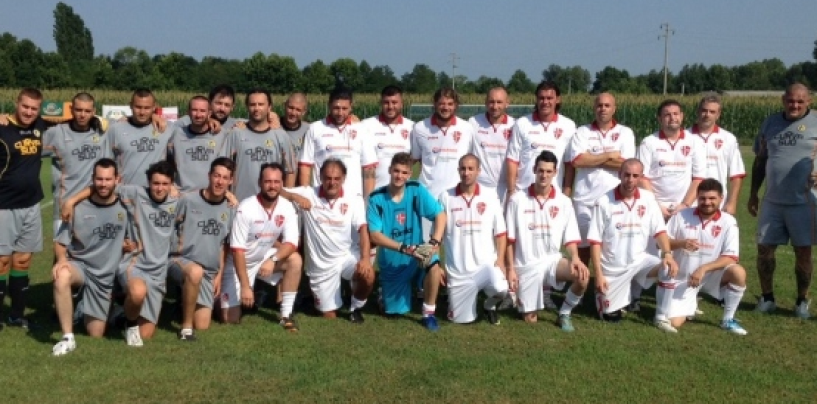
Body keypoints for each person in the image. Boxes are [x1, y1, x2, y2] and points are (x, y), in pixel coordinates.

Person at [61, 160, 180, 346]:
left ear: (172, 184)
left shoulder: (178, 201)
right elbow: (101, 186)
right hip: (135, 264)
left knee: (147, 334)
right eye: (156, 183)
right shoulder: (135, 194)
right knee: (137, 293)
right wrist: (71, 200)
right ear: (148, 182)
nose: (159, 188)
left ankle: (117, 312)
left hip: (158, 273)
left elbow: (202, 196)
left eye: (165, 184)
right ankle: (126, 323)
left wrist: (229, 195)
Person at [749, 82, 817, 318]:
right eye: (790, 100)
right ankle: (767, 298)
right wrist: (753, 194)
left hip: (805, 203)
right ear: (783, 100)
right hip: (773, 201)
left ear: (809, 101)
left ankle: (801, 301)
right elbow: (760, 161)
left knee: (803, 253)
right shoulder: (770, 123)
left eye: (800, 101)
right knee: (764, 250)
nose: (795, 105)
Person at [587, 159, 679, 331]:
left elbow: (659, 231)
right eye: (627, 175)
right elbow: (595, 242)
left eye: (635, 176)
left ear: (641, 177)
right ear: (620, 175)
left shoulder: (648, 198)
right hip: (613, 268)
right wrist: (598, 275)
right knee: (610, 316)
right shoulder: (604, 202)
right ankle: (619, 298)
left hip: (639, 262)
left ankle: (661, 317)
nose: (630, 180)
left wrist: (667, 254)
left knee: (668, 268)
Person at [51, 158, 128, 356]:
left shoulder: (127, 206)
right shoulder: (78, 207)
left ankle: (86, 310)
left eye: (108, 179)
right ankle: (68, 337)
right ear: (92, 179)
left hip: (105, 277)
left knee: (96, 333)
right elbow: (60, 243)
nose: (103, 184)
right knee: (62, 276)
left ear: (117, 180)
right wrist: (61, 261)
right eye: (99, 179)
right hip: (81, 267)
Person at [505, 151, 589, 331]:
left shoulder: (564, 202)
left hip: (551, 260)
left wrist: (575, 258)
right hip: (526, 265)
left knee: (582, 276)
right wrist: (510, 269)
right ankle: (517, 296)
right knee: (530, 319)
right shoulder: (517, 199)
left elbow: (571, 238)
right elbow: (509, 240)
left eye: (548, 171)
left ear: (555, 172)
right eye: (541, 170)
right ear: (534, 170)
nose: (544, 175)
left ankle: (564, 313)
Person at [285, 159, 374, 322]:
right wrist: (294, 196)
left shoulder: (354, 198)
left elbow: (363, 231)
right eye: (327, 178)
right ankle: (315, 299)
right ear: (320, 177)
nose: (331, 183)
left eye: (336, 179)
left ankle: (355, 307)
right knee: (330, 317)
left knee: (368, 275)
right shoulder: (308, 193)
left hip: (346, 257)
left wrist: (366, 259)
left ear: (344, 178)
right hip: (321, 267)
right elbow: (277, 190)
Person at [367, 152, 446, 330]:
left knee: (433, 265)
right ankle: (385, 293)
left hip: (418, 253)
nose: (399, 176)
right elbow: (375, 236)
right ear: (389, 170)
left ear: (410, 174)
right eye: (396, 171)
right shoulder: (376, 198)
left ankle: (428, 313)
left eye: (404, 172)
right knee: (393, 312)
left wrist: (434, 242)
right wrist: (403, 248)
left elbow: (440, 215)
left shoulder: (416, 190)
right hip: (393, 261)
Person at [220, 163, 302, 329]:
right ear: (260, 182)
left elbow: (292, 243)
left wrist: (273, 259)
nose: (272, 186)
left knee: (295, 260)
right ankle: (218, 298)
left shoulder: (287, 207)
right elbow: (237, 251)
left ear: (282, 183)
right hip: (239, 264)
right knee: (230, 319)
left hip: (264, 258)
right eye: (268, 181)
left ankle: (285, 315)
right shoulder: (246, 207)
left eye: (276, 182)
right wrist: (244, 286)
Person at [661, 178, 747, 334]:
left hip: (711, 275)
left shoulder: (729, 222)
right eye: (702, 198)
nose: (707, 202)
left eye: (712, 198)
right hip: (684, 278)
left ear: (721, 198)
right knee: (674, 323)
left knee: (738, 272)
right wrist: (681, 243)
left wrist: (703, 268)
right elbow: (661, 243)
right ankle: (690, 304)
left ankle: (728, 319)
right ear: (697, 198)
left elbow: (731, 257)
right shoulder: (681, 216)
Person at [168, 157, 236, 340]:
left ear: (231, 181)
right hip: (180, 259)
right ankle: (186, 330)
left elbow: (223, 245)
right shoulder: (188, 200)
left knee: (203, 325)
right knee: (195, 272)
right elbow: (169, 225)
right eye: (216, 176)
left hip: (209, 271)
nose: (219, 181)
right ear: (209, 176)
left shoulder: (230, 209)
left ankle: (182, 304)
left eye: (225, 178)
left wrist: (219, 274)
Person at [439, 154, 509, 325]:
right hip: (458, 271)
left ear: (479, 171)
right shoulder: (446, 197)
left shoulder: (490, 196)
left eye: (471, 169)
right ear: (458, 170)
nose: (466, 172)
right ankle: (456, 301)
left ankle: (489, 305)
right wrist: (437, 264)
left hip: (485, 266)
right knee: (460, 321)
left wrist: (500, 259)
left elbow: (500, 233)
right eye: (463, 168)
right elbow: (437, 234)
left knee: (501, 289)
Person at [568, 93, 636, 266]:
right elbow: (577, 161)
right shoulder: (582, 132)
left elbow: (627, 165)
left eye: (607, 105)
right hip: (584, 200)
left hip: (613, 201)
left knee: (610, 246)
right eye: (599, 105)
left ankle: (605, 286)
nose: (603, 109)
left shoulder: (625, 133)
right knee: (583, 247)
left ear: (614, 108)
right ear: (594, 108)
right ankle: (581, 285)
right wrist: (610, 155)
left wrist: (592, 158)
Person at [0, 88, 49, 330]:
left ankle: (16, 315)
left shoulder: (40, 125)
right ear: (16, 104)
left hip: (31, 205)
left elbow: (71, 118)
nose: (29, 112)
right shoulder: (2, 127)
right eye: (25, 106)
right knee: (1, 262)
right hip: (3, 206)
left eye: (34, 108)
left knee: (22, 260)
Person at [43, 92, 113, 238]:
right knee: (62, 255)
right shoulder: (56, 133)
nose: (83, 114)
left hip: (95, 203)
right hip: (66, 204)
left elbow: (130, 122)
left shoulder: (101, 133)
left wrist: (156, 116)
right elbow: (28, 149)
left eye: (87, 111)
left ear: (94, 112)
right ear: (71, 109)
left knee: (90, 252)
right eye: (78, 110)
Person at [298, 88, 377, 198]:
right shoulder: (315, 128)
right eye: (336, 108)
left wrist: (368, 202)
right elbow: (305, 166)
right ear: (329, 105)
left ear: (351, 107)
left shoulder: (362, 130)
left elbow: (369, 169)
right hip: (322, 200)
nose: (340, 113)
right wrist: (305, 197)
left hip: (352, 200)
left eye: (344, 108)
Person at [505, 81, 576, 199]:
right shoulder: (522, 123)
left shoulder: (568, 126)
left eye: (549, 98)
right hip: (524, 194)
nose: (545, 102)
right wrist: (512, 192)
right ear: (536, 99)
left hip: (554, 195)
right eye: (541, 98)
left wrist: (566, 193)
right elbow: (512, 160)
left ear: (557, 99)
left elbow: (569, 165)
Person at [221, 89, 297, 200]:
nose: (256, 108)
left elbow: (290, 170)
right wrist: (227, 194)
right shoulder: (236, 134)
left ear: (269, 107)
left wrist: (287, 198)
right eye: (252, 104)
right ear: (247, 107)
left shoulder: (281, 136)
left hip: (272, 204)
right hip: (240, 202)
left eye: (261, 104)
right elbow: (222, 167)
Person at [637, 99, 706, 221]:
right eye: (667, 115)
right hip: (655, 208)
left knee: (685, 241)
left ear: (682, 116)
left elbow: (698, 178)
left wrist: (685, 205)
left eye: (676, 114)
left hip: (686, 209)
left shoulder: (695, 142)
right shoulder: (648, 142)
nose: (672, 117)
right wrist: (656, 205)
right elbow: (642, 178)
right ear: (659, 118)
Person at [688, 94, 745, 214]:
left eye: (712, 112)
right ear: (698, 111)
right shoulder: (684, 137)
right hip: (689, 203)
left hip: (717, 203)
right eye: (704, 110)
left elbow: (736, 174)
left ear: (718, 114)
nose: (707, 114)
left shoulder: (728, 138)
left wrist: (732, 202)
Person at [110, 88, 174, 187]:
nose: (142, 112)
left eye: (147, 108)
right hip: (126, 192)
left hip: (156, 192)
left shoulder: (166, 128)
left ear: (154, 107)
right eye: (138, 107)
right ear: (130, 106)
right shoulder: (115, 129)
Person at [167, 96, 227, 192]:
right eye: (194, 110)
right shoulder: (176, 133)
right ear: (188, 112)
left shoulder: (221, 135)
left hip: (210, 195)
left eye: (202, 111)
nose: (198, 115)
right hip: (183, 195)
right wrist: (169, 184)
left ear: (209, 113)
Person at [361, 85, 414, 189]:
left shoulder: (412, 127)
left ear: (401, 104)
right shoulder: (366, 125)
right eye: (386, 102)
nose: (390, 106)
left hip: (402, 194)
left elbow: (416, 159)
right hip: (376, 193)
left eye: (394, 102)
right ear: (381, 103)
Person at [469, 86, 515, 203]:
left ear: (507, 103)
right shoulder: (473, 123)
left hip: (507, 188)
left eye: (499, 102)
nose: (495, 106)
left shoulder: (515, 125)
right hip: (480, 187)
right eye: (491, 102)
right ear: (486, 103)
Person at [281, 93, 310, 181]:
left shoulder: (309, 130)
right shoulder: (273, 126)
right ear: (284, 106)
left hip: (300, 182)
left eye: (298, 110)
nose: (293, 113)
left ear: (304, 112)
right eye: (290, 108)